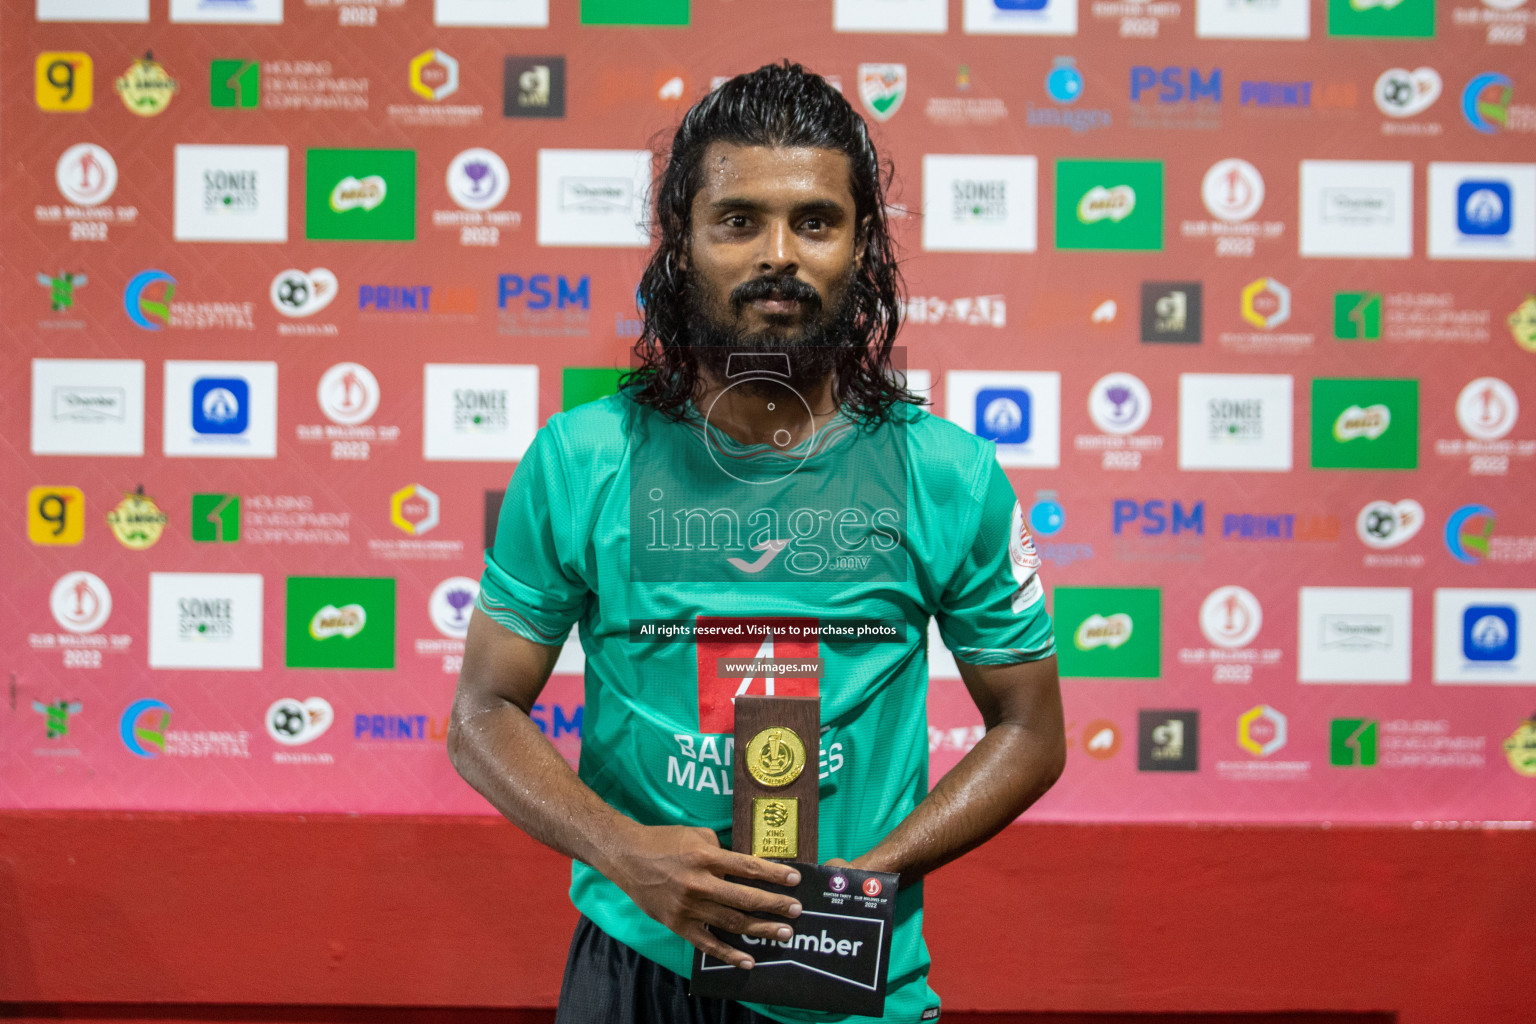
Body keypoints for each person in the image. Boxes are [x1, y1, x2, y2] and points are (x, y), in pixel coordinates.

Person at [448, 61, 1065, 1024]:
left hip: (854, 981)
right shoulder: (580, 459)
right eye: (738, 220)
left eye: (816, 220)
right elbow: (482, 713)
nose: (779, 253)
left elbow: (1031, 731)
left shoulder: (948, 474)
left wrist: (862, 881)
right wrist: (623, 851)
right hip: (635, 967)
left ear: (865, 246)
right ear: (680, 242)